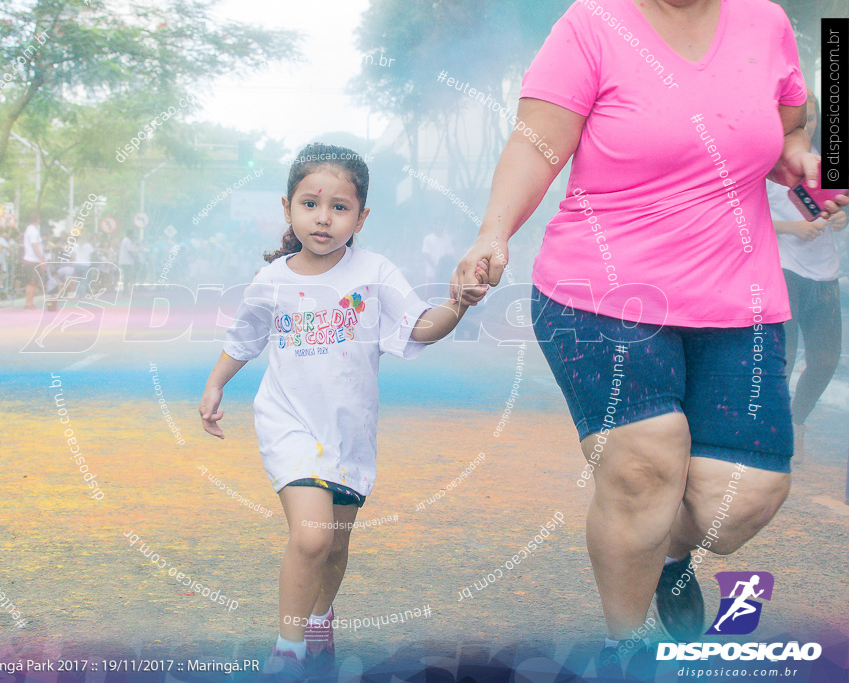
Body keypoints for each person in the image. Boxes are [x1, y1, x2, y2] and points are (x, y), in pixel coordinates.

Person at [449, 0, 848, 675]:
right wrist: (494, 232)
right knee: (644, 469)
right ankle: (625, 651)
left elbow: (790, 126)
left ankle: (666, 554)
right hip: (601, 294)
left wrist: (801, 159)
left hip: (738, 297)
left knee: (741, 501)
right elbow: (536, 144)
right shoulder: (591, 24)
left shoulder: (766, 22)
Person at [199, 143, 484, 682]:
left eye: (339, 208)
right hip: (289, 422)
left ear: (361, 216)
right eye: (310, 204)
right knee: (311, 537)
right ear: (287, 209)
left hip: (350, 432)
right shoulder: (273, 280)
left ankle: (320, 618)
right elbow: (244, 339)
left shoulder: (374, 272)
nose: (323, 218)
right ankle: (288, 650)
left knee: (335, 546)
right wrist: (215, 385)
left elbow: (420, 326)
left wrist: (460, 304)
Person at [768, 90, 846, 460]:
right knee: (784, 354)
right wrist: (792, 229)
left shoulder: (825, 164)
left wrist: (842, 218)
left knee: (826, 359)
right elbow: (745, 220)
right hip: (783, 269)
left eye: (812, 119)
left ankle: (796, 419)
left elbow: (837, 212)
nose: (807, 124)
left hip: (825, 273)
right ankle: (775, 430)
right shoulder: (767, 165)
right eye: (802, 117)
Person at [22, 212, 45, 310]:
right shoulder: (33, 231)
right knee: (33, 283)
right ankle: (29, 303)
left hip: (29, 259)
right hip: (33, 260)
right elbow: (34, 245)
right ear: (38, 220)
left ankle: (29, 302)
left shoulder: (29, 229)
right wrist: (41, 258)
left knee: (30, 282)